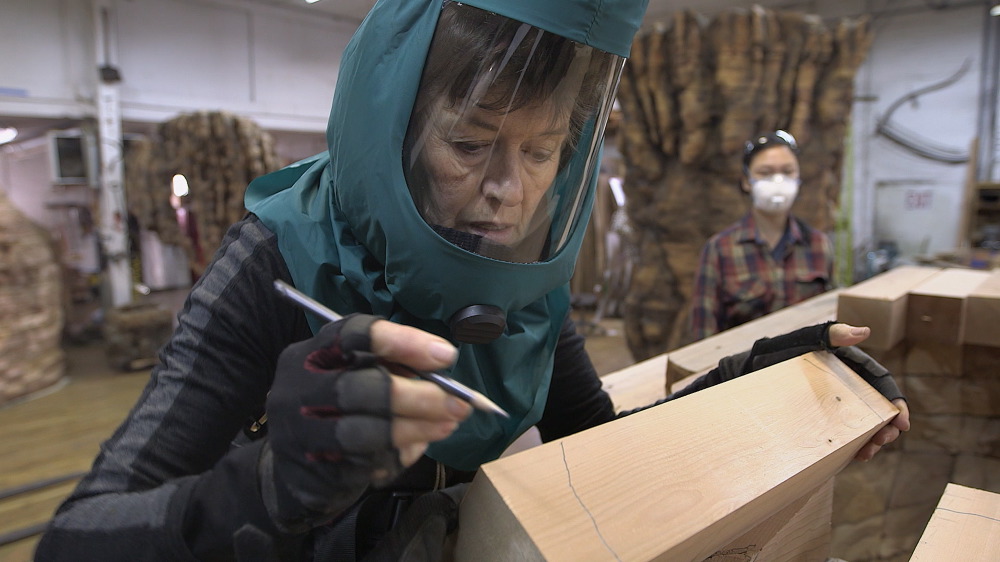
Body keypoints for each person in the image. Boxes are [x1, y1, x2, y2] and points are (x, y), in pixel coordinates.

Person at [36, 3, 907, 561]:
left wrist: (749, 386)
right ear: (396, 131)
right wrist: (265, 482)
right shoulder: (276, 256)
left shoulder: (525, 277)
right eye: (467, 144)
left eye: (541, 152)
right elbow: (76, 538)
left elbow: (592, 451)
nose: (509, 191)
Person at [689, 130, 835, 341]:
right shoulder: (721, 249)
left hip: (804, 366)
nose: (778, 180)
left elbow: (828, 321)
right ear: (747, 181)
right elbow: (704, 332)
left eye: (787, 171)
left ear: (798, 178)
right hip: (744, 369)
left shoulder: (819, 245)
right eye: (765, 172)